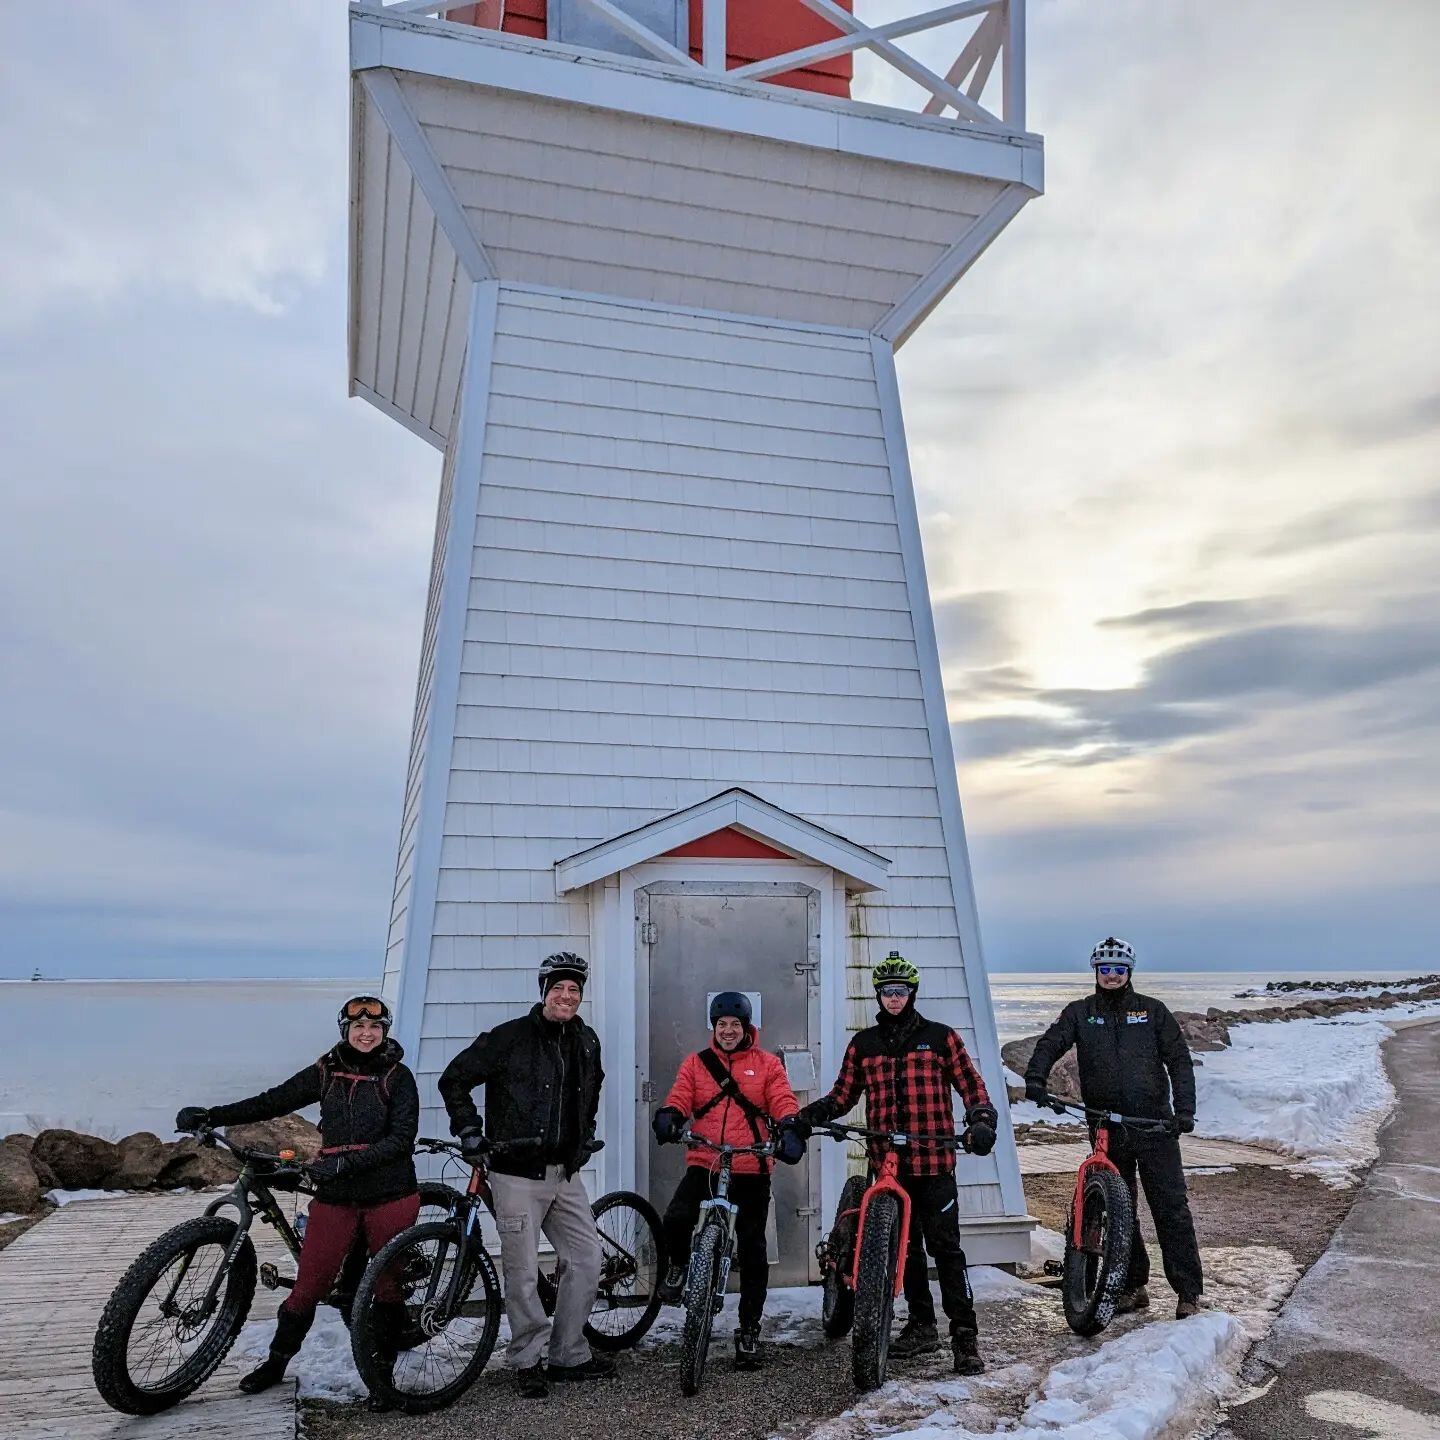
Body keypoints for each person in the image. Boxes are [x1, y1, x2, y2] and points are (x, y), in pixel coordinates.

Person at [175, 994, 420, 1403]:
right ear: (346, 1030)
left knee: (386, 1284)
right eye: (358, 1027)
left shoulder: (399, 1076)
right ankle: (276, 1363)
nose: (366, 1033)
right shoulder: (327, 1070)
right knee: (309, 1284)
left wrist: (346, 1163)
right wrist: (213, 1115)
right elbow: (274, 1100)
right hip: (336, 1195)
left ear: (384, 1032)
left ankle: (382, 1374)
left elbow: (400, 1140)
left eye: (374, 1027)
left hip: (389, 1192)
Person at [787, 952, 998, 1376]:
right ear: (878, 996)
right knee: (907, 1251)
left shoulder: (941, 1038)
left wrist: (980, 1121)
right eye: (887, 992)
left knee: (947, 1251)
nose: (894, 999)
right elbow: (842, 1096)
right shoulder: (863, 1045)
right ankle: (921, 1327)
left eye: (901, 992)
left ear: (912, 993)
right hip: (888, 1164)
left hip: (934, 1162)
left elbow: (972, 1087)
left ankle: (965, 1338)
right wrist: (808, 1116)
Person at [437, 951, 610, 1399]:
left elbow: (592, 1091)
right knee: (523, 1271)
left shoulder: (586, 1040)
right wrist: (470, 1130)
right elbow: (453, 1079)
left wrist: (583, 1137)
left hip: (565, 1174)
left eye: (573, 990)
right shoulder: (508, 1038)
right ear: (544, 991)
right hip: (515, 1174)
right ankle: (528, 1358)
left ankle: (568, 1353)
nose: (566, 996)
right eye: (558, 989)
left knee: (588, 1259)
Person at [1023, 936, 1205, 1319]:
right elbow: (1051, 1042)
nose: (1111, 975)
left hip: (1154, 1125)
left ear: (1129, 972)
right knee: (1119, 1210)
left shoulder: (1152, 1012)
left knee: (1170, 1208)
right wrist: (1036, 1079)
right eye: (1104, 969)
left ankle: (1188, 1292)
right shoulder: (1080, 1012)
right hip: (1105, 1125)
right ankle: (1131, 1284)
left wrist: (1184, 1110)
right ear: (1095, 971)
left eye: (1118, 969)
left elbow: (1179, 1060)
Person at [651, 991, 803, 1370]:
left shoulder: (767, 1065)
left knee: (753, 1246)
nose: (729, 1031)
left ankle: (749, 1328)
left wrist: (788, 1127)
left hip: (751, 1165)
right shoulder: (697, 1064)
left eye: (736, 1025)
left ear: (747, 1027)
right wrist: (670, 1114)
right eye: (722, 1025)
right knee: (676, 1218)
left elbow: (782, 1099)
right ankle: (679, 1266)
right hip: (707, 1160)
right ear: (713, 1027)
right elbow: (681, 1095)